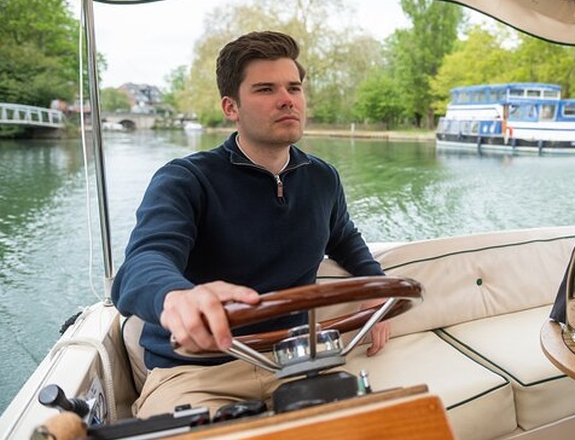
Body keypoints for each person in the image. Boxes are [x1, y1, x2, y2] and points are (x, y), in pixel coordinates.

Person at [111, 30, 389, 418]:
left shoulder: (323, 178)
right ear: (231, 107)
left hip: (295, 359)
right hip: (197, 371)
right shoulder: (186, 179)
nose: (286, 99)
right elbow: (143, 263)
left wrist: (374, 285)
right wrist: (177, 297)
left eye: (294, 87)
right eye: (265, 89)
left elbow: (343, 236)